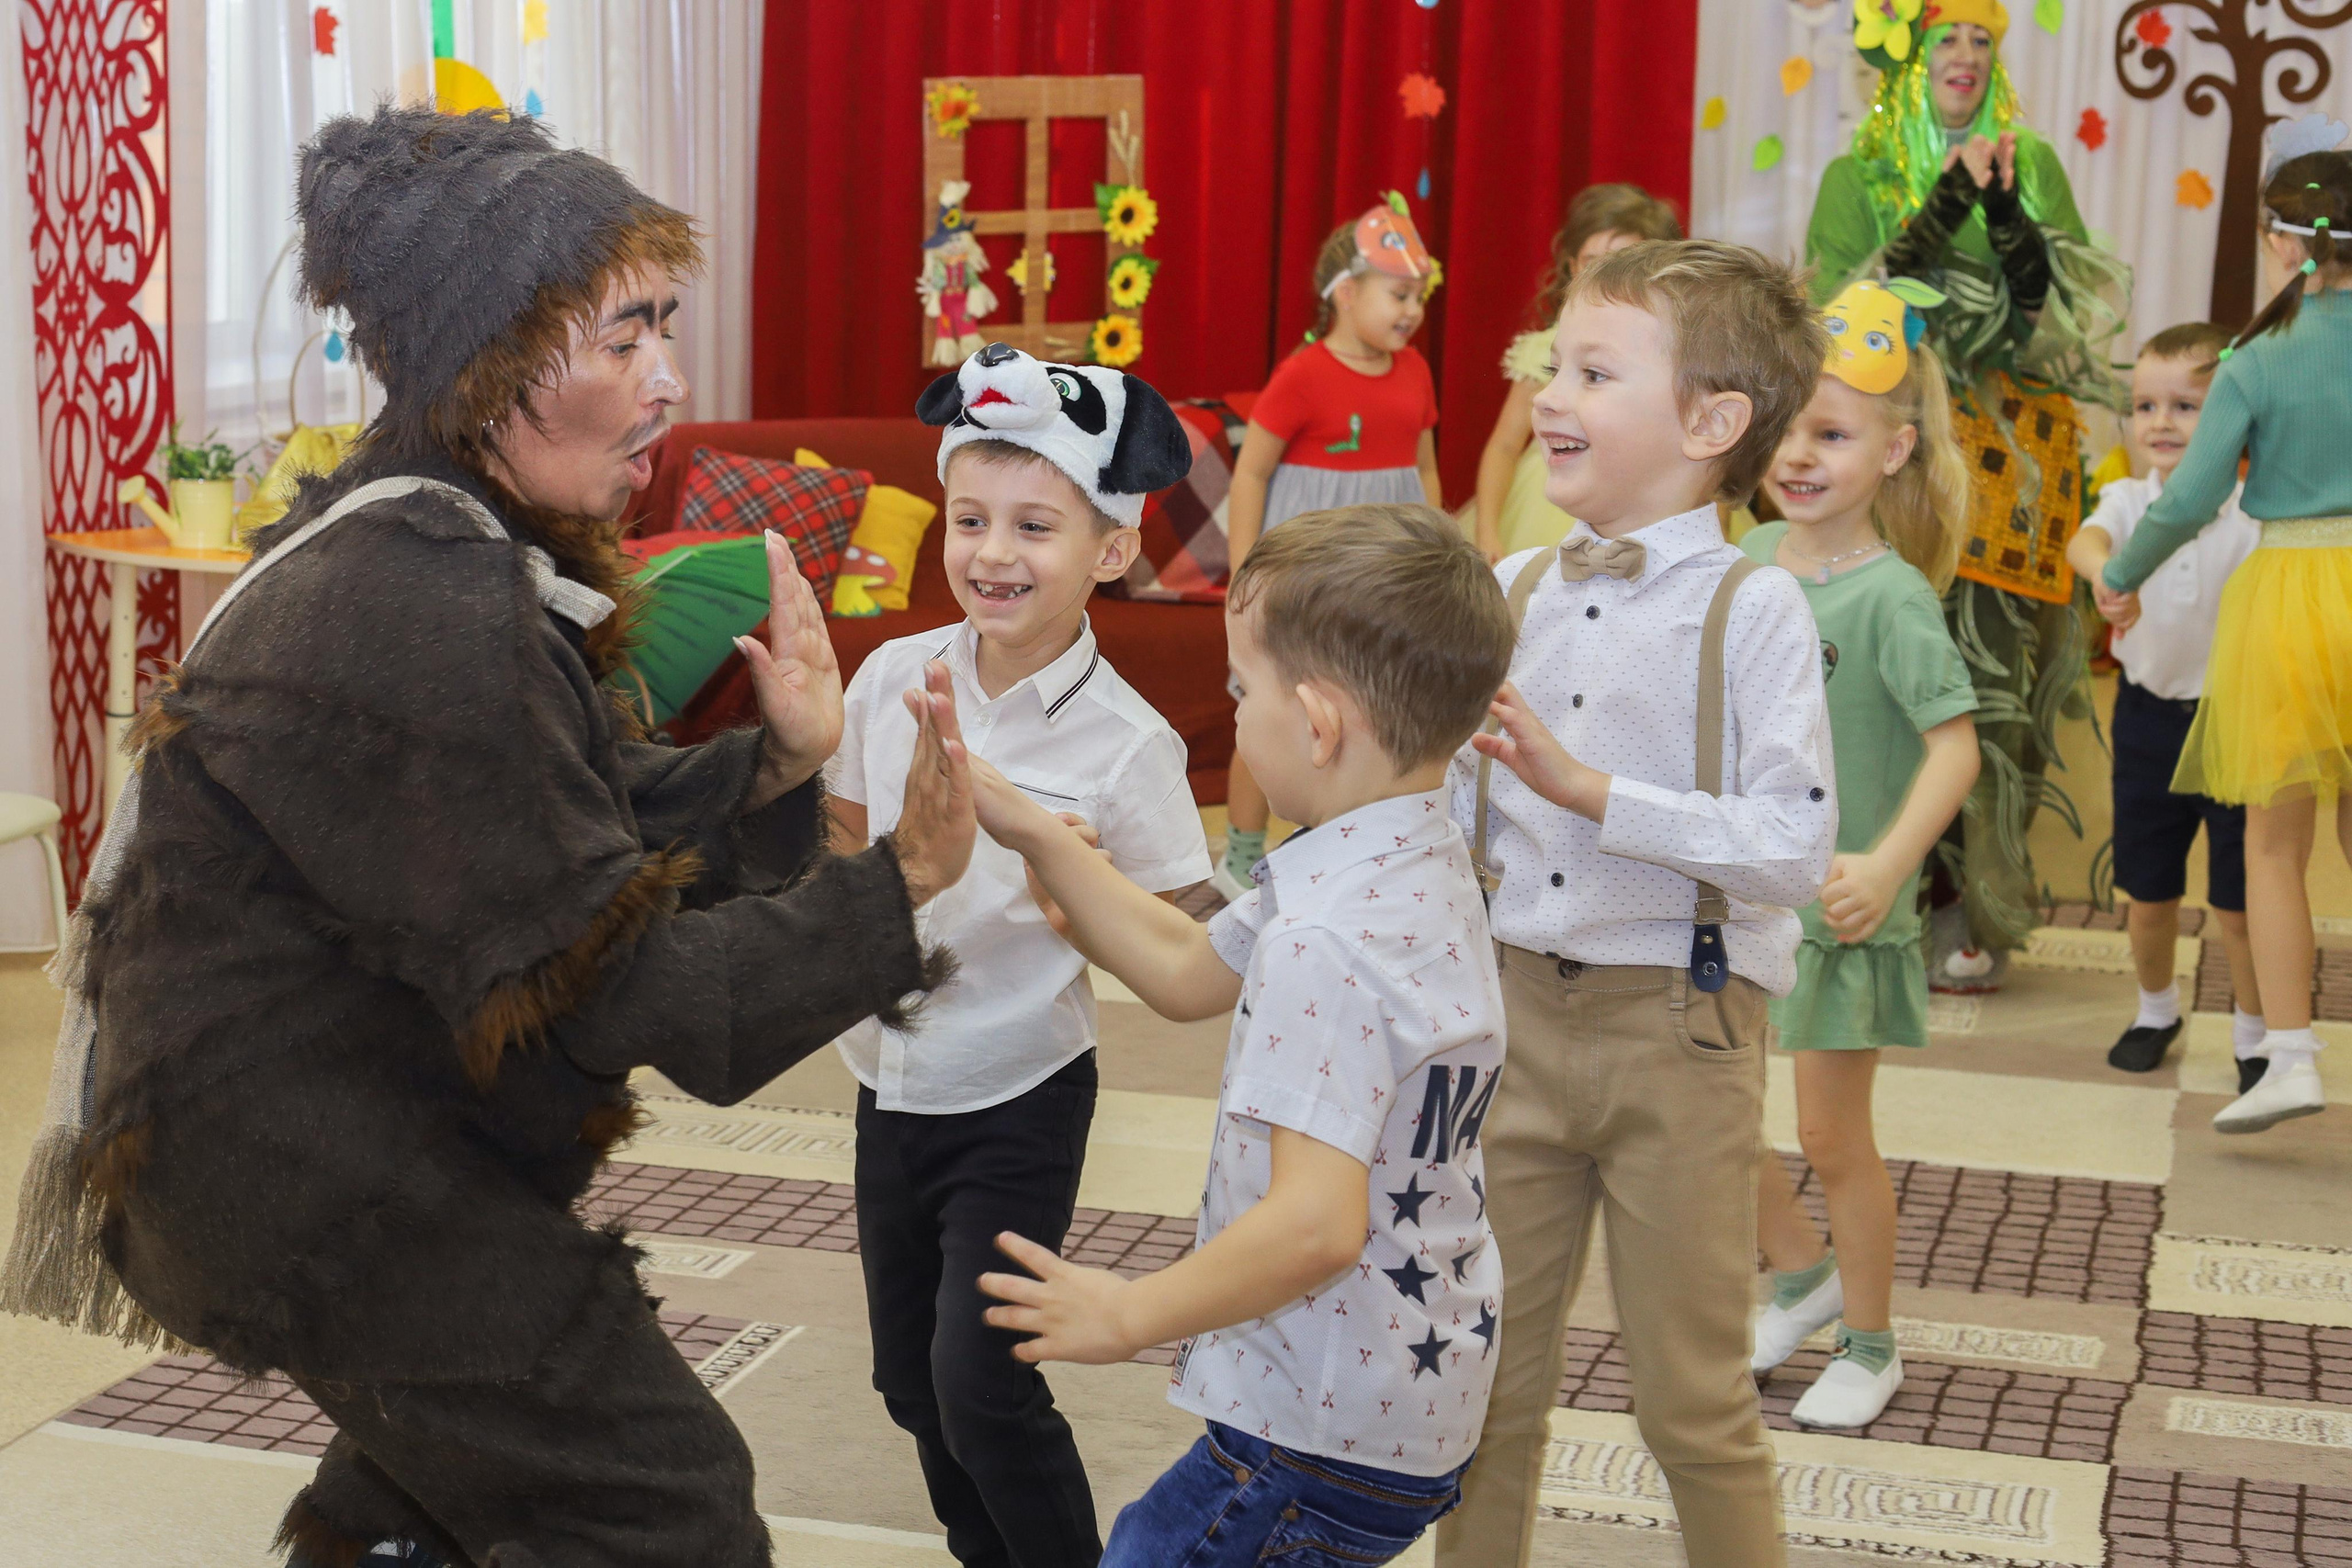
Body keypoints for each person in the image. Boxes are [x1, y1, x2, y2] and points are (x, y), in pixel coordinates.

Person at [0, 107, 981, 1568]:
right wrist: (895, 882)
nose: (674, 380)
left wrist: (776, 757)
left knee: (435, 1494)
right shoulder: (421, 595)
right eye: (629, 335)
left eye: (666, 328)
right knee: (658, 1498)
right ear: (492, 359)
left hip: (309, 1134)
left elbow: (554, 828)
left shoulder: (420, 535)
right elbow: (634, 984)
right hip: (309, 1173)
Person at [967, 505, 1516, 1567]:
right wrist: (1035, 830)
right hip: (1400, 1387)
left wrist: (1129, 1314)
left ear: (1314, 723)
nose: (1234, 715)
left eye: (1240, 690)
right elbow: (1184, 969)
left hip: (1312, 1425)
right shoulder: (1400, 852)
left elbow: (1315, 1227)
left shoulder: (1329, 938)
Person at [1440, 239, 1838, 1568]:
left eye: (1593, 371)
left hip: (1685, 1025)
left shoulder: (1757, 604)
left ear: (1712, 424)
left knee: (1693, 1398)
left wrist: (1596, 789)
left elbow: (1791, 847)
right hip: (1509, 1024)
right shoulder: (1512, 589)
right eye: (1556, 363)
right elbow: (1454, 808)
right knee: (1483, 1386)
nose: (1551, 393)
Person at [830, 344, 1208, 1568]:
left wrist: (1078, 883)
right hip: (884, 1074)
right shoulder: (892, 673)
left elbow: (1192, 940)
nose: (994, 551)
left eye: (1036, 525)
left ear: (1109, 548)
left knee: (981, 1381)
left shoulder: (1128, 741)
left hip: (1021, 1086)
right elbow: (837, 840)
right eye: (973, 517)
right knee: (903, 1379)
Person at [1804, 0, 2132, 994]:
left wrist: (1996, 207)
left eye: (1980, 39)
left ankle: (1963, 900)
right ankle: (1869, 879)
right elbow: (1844, 314)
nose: (1963, 57)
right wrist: (1942, 203)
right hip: (1891, 455)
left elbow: (2061, 316)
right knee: (1873, 670)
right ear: (1905, 60)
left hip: (2010, 468)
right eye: (1944, 37)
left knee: (1990, 688)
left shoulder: (2031, 163)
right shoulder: (1854, 177)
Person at [1744, 280, 1983, 1430]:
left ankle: (1870, 1341)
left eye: (1830, 435)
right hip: (1735, 895)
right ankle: (1799, 1276)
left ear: (1893, 450)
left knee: (1835, 1137)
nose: (1799, 454)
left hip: (1836, 910)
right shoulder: (1741, 561)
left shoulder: (1893, 602)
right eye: (1787, 426)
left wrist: (1886, 867)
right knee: (1697, 1116)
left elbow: (1954, 751)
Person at [2098, 132, 2352, 1134]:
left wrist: (2118, 578)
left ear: (2279, 242)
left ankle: (2287, 1053)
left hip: (2290, 591)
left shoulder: (2254, 359)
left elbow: (2189, 500)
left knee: (2275, 849)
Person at [1216, 196, 1444, 897]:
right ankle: (1241, 857)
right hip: (1310, 573)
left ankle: (1345, 845)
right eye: (1398, 294)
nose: (1411, 310)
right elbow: (1251, 471)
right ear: (1346, 293)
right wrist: (1244, 575)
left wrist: (1440, 551)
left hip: (1385, 573)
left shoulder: (1415, 372)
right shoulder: (1304, 375)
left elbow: (1426, 466)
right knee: (1275, 711)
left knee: (1369, 712)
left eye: (1418, 297)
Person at [2065, 324, 2264, 1079]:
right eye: (2145, 404)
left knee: (2241, 904)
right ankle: (2156, 1009)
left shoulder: (2257, 505)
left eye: (2185, 405)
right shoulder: (2126, 497)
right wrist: (2107, 574)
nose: (2160, 422)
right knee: (2148, 893)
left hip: (2239, 724)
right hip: (2148, 720)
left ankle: (2252, 1033)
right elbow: (2086, 542)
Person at [1473, 183, 1683, 563]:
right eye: (1591, 261)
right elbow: (1504, 445)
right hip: (1549, 495)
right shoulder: (1546, 347)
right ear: (1572, 268)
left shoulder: (1667, 353)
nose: (1604, 274)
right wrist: (1487, 527)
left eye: (1622, 260)